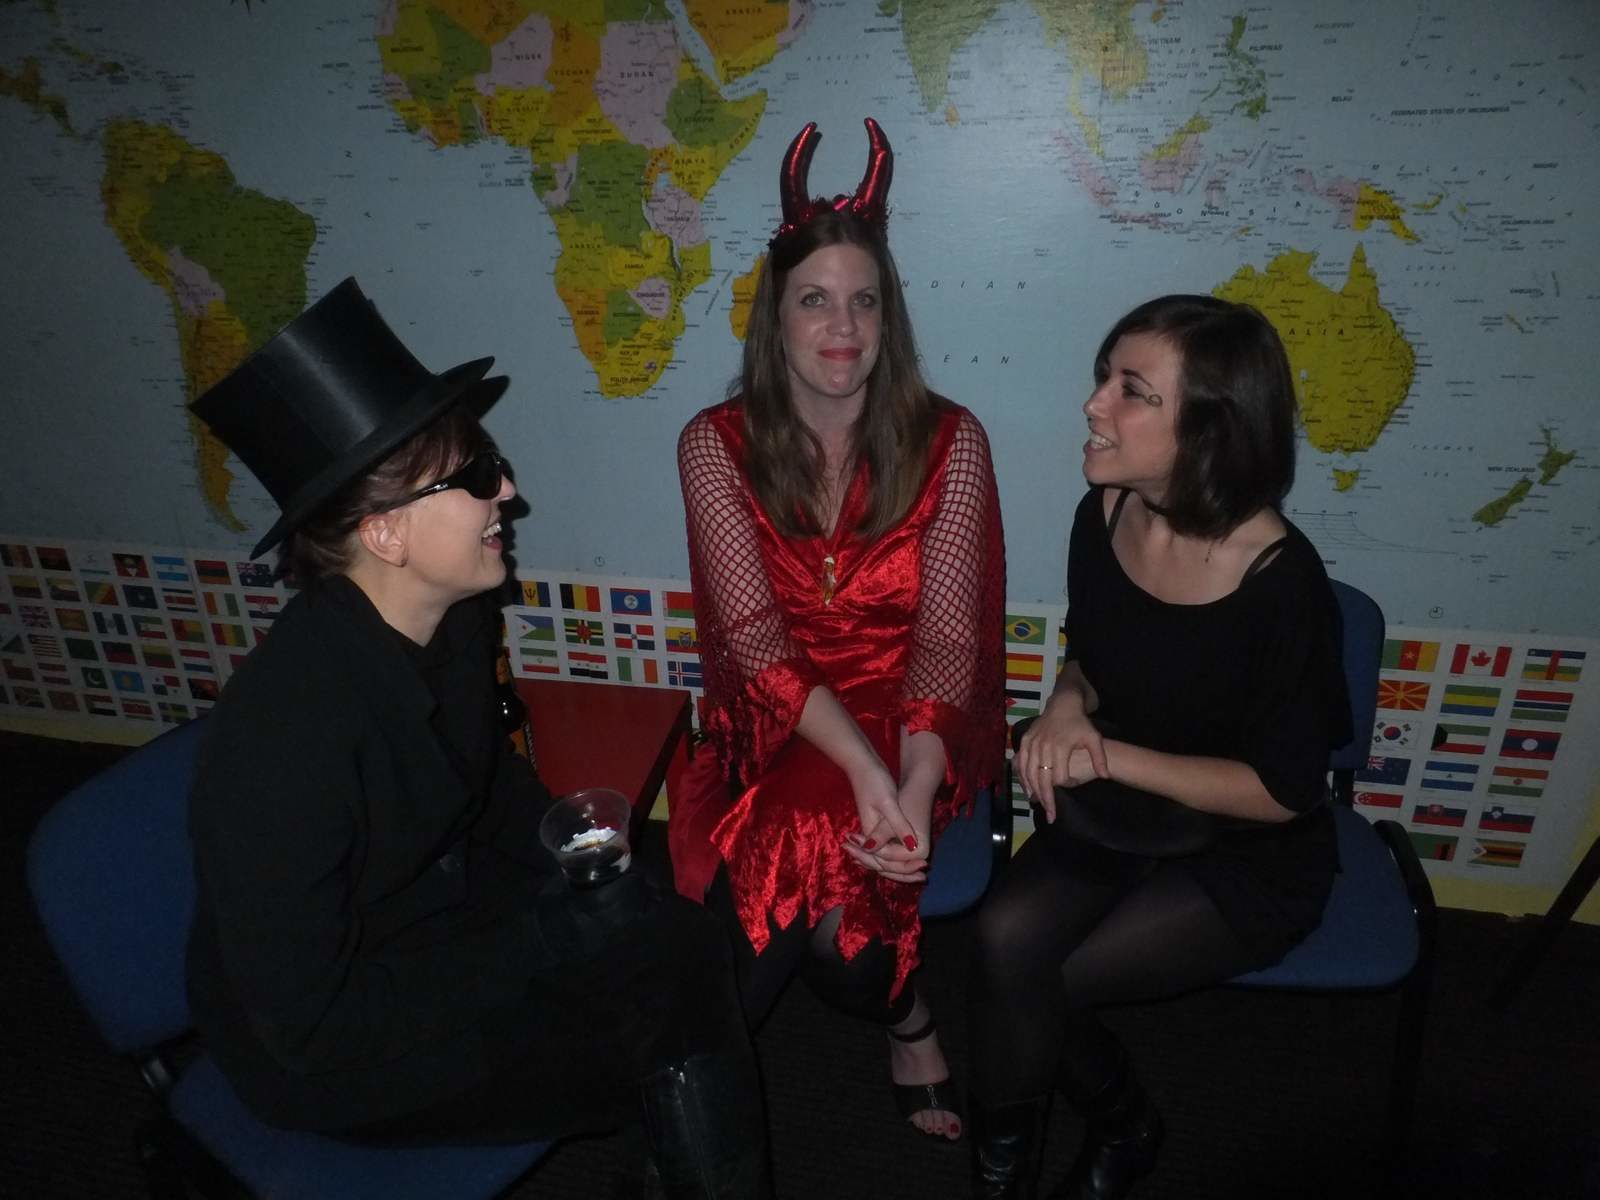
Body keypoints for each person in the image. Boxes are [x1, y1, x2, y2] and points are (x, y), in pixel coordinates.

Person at [185, 278, 768, 1198]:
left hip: (435, 916)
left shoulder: (455, 620)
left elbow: (483, 786)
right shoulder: (283, 740)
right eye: (473, 477)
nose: (509, 490)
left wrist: (578, 858)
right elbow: (310, 1023)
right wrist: (547, 934)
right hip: (333, 1038)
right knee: (650, 1040)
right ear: (385, 534)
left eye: (489, 461)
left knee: (681, 943)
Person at [669, 119, 1007, 1143]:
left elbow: (945, 645)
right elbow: (755, 643)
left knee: (825, 914)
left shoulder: (952, 439)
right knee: (826, 893)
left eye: (864, 300)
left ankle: (686, 1093)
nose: (843, 326)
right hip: (781, 721)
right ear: (774, 318)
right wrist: (859, 771)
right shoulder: (713, 444)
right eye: (814, 299)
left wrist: (910, 785)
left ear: (888, 317)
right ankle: (905, 1020)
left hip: (914, 722)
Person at [969, 295, 1351, 1198]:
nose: (1095, 403)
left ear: (1210, 430)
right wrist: (1068, 703)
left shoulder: (1283, 584)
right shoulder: (1104, 511)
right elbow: (1094, 658)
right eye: (1105, 377)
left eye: (1132, 390)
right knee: (1000, 939)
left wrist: (1105, 755)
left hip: (1247, 851)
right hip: (1126, 819)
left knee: (1054, 976)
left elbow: (1285, 792)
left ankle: (1123, 1126)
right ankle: (1027, 1159)